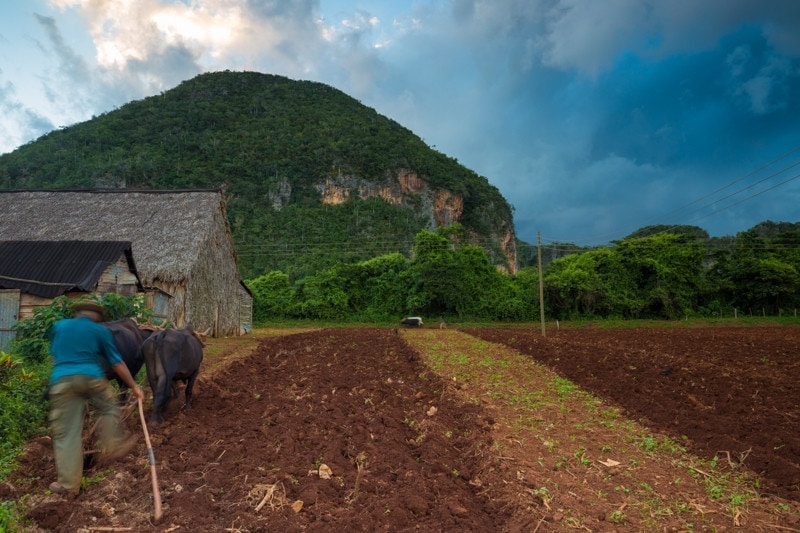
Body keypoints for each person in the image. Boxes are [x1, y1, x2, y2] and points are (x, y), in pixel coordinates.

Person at [47, 300, 145, 496]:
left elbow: (54, 358)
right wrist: (134, 386)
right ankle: (111, 444)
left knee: (67, 434)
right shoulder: (100, 331)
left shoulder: (60, 327)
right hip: (92, 378)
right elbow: (116, 363)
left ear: (77, 314)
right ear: (98, 317)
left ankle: (68, 487)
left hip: (62, 381)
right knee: (109, 407)